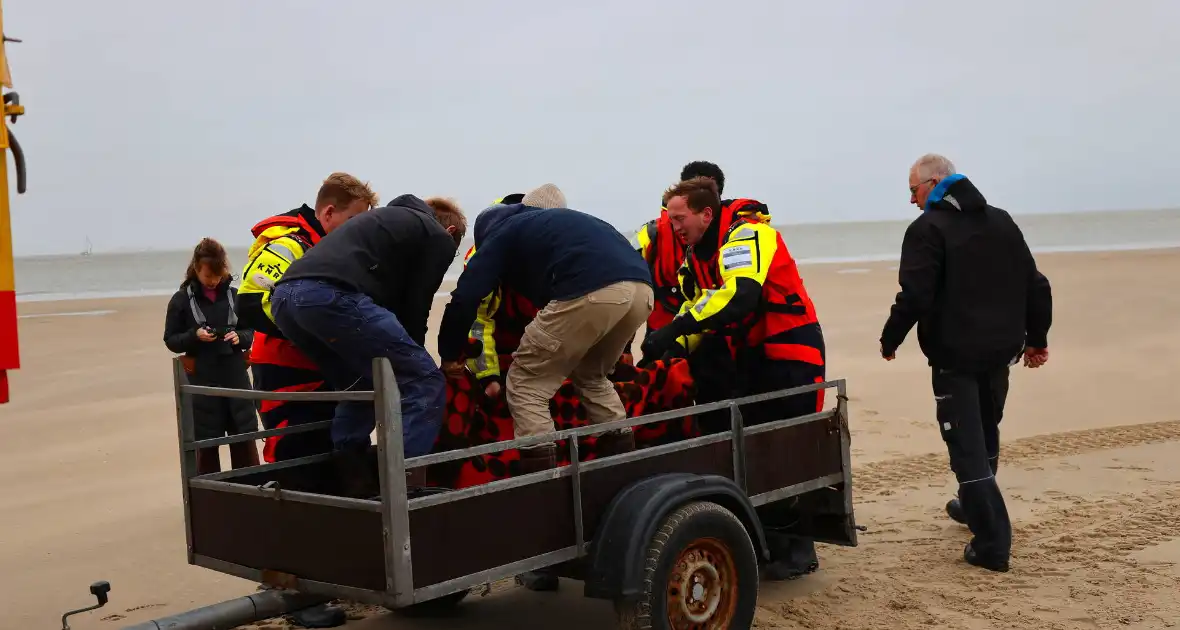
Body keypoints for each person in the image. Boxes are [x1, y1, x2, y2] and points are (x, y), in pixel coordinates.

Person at [640, 176, 826, 581]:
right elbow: (701, 307)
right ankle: (769, 541)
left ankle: (799, 549)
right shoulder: (696, 258)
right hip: (752, 359)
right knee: (752, 449)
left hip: (790, 348)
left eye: (679, 219)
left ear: (707, 213)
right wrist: (667, 348)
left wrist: (673, 331)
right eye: (669, 221)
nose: (673, 228)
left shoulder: (749, 234)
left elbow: (740, 295)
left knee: (787, 446)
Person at [879, 153, 1052, 573]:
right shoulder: (1001, 220)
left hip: (955, 355)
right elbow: (1037, 284)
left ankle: (992, 544)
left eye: (913, 191)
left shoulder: (927, 229)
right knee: (985, 432)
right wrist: (1036, 339)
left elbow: (915, 295)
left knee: (967, 448)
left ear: (935, 182)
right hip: (1000, 352)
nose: (911, 200)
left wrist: (891, 336)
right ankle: (974, 508)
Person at [436, 183, 654, 474]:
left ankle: (543, 482)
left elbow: (465, 299)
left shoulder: (501, 235)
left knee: (527, 382)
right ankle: (620, 465)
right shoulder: (564, 226)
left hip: (591, 290)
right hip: (642, 290)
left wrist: (448, 353)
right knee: (592, 376)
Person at [269, 192, 458, 498]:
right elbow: (416, 307)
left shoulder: (382, 225)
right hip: (329, 294)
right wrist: (413, 362)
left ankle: (354, 479)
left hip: (285, 300)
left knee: (359, 384)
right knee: (425, 382)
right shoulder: (438, 236)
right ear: (450, 233)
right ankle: (403, 490)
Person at [236, 173, 376, 465]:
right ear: (328, 212)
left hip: (322, 369)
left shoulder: (334, 250)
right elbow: (249, 302)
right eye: (353, 220)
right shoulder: (289, 245)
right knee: (294, 455)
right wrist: (319, 333)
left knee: (331, 452)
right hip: (284, 370)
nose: (358, 231)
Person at [164, 238, 260, 474]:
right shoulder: (181, 301)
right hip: (202, 381)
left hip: (236, 377)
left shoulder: (236, 296)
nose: (213, 281)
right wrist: (194, 336)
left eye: (217, 276)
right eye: (208, 277)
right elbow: (171, 341)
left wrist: (240, 337)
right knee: (206, 445)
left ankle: (251, 491)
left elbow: (251, 330)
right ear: (196, 269)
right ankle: (209, 496)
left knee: (244, 440)